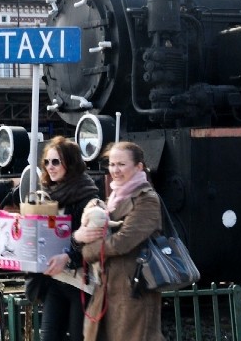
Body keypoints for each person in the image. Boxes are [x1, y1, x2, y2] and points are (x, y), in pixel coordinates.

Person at [73, 141, 165, 341]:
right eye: (112, 164)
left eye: (121, 164)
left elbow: (123, 241)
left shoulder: (146, 199)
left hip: (133, 290)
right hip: (108, 289)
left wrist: (88, 251)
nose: (115, 170)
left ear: (139, 167)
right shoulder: (115, 197)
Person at [25, 136, 99, 341]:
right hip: (54, 281)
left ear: (71, 163)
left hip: (81, 283)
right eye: (47, 162)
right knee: (48, 337)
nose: (50, 167)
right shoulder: (47, 196)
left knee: (79, 337)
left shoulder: (88, 198)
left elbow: (93, 243)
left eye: (56, 161)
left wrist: (68, 256)